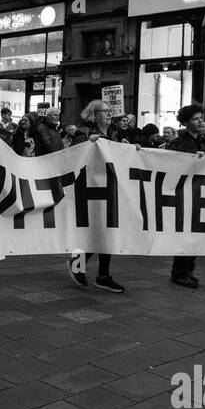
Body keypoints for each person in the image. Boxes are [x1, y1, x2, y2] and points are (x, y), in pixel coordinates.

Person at [66, 100, 126, 294]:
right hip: (90, 189)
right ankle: (77, 263)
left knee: (108, 229)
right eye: (105, 111)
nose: (109, 114)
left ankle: (103, 276)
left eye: (110, 111)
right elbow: (73, 154)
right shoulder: (83, 132)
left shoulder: (114, 134)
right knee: (90, 230)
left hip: (109, 188)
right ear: (94, 114)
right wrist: (88, 144)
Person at [167, 104, 205, 288]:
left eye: (201, 117)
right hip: (185, 194)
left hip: (201, 192)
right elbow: (172, 165)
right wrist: (193, 158)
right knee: (186, 234)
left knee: (197, 233)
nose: (200, 121)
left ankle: (188, 269)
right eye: (195, 119)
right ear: (185, 123)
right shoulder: (178, 143)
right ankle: (179, 271)